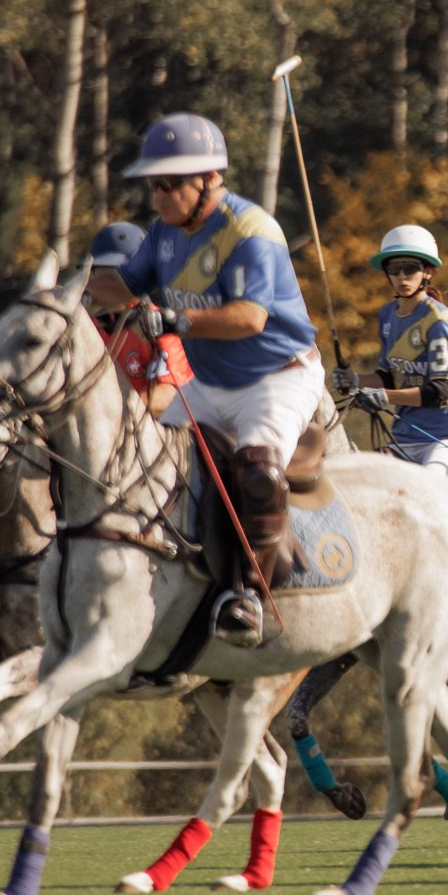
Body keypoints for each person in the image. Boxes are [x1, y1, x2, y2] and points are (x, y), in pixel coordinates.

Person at [89, 113, 321, 647]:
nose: (160, 196)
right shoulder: (164, 234)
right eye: (155, 185)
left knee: (258, 471)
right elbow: (123, 286)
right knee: (137, 456)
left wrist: (176, 320)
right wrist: (66, 293)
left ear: (210, 179)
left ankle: (248, 595)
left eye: (171, 184)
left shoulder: (251, 230)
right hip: (211, 382)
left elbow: (250, 318)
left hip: (276, 377)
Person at [329, 225, 448, 479]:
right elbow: (390, 376)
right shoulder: (388, 314)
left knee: (428, 489)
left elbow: (441, 393)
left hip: (446, 438)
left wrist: (383, 397)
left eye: (410, 268)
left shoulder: (438, 320)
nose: (402, 277)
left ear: (428, 272)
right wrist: (355, 381)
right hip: (403, 437)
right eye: (394, 269)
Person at [87, 221, 192, 420]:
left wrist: (110, 413)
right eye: (100, 274)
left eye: (115, 275)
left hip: (156, 428)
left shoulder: (159, 326)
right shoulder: (87, 328)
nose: (107, 285)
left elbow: (168, 395)